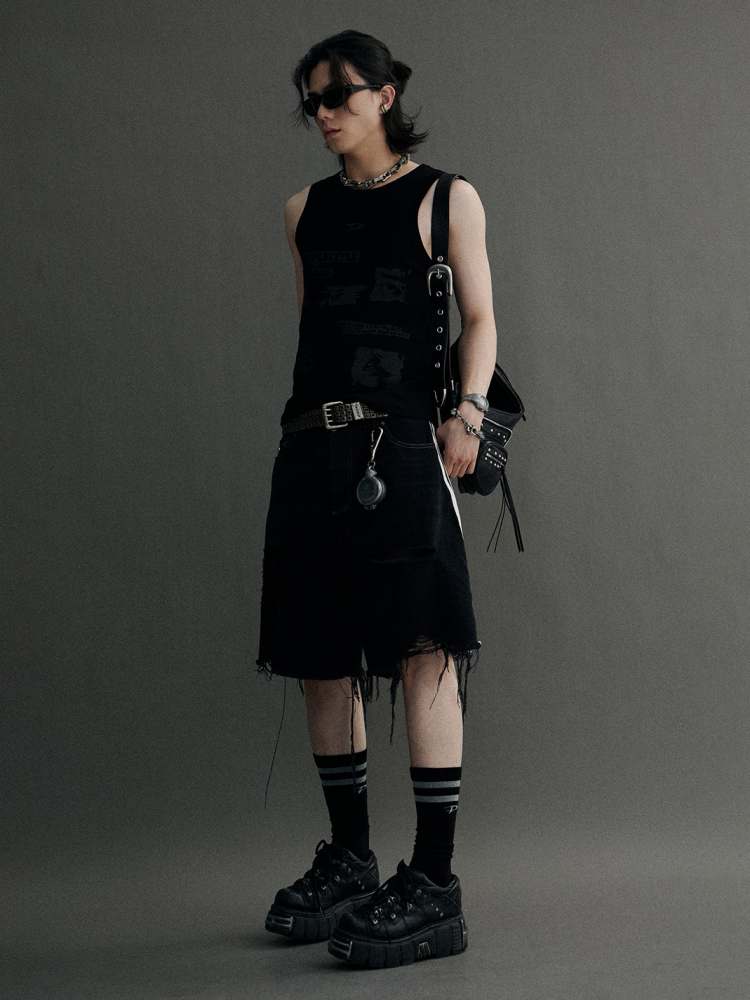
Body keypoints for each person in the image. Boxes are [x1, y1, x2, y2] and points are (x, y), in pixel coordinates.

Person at [258, 29, 497, 967]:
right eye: (311, 101)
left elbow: (480, 316)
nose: (322, 113)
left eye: (339, 96)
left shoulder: (446, 197)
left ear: (385, 94)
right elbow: (315, 330)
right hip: (310, 445)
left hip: (399, 444)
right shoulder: (302, 210)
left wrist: (468, 412)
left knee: (424, 648)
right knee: (322, 657)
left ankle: (433, 882)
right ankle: (353, 858)